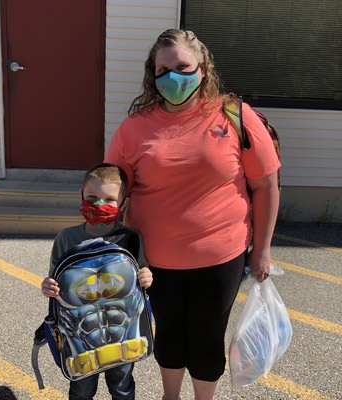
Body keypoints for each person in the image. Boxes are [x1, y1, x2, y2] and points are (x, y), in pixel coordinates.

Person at [104, 29, 280, 400]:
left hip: (220, 257)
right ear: (152, 75)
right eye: (162, 70)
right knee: (168, 332)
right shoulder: (134, 129)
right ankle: (171, 396)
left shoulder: (236, 117)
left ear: (203, 68)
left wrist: (261, 250)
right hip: (154, 262)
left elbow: (265, 186)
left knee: (206, 335)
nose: (173, 78)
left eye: (182, 67)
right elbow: (113, 189)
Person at [41, 163, 153, 400]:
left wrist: (146, 276)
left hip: (124, 334)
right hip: (78, 337)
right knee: (81, 390)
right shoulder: (66, 238)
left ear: (124, 204)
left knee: (122, 387)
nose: (99, 204)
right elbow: (55, 281)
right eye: (92, 197)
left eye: (109, 199)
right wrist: (48, 287)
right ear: (80, 196)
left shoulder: (131, 239)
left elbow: (141, 275)